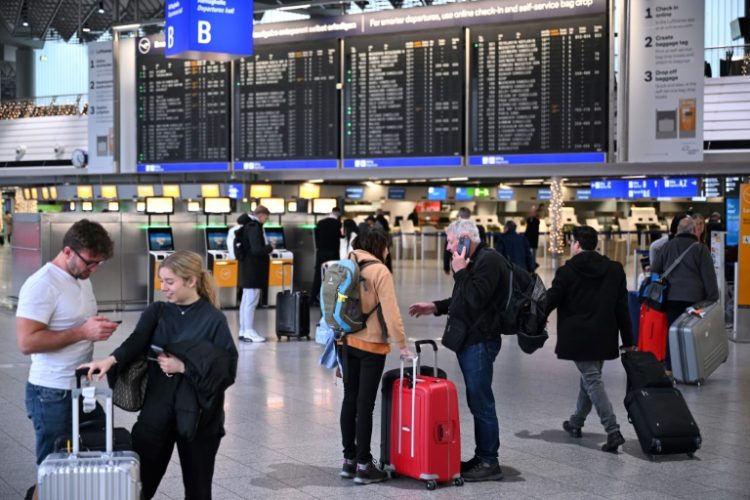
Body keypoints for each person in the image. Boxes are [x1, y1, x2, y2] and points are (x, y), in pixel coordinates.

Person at [80, 250, 237, 500]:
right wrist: (110, 360)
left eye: (169, 282)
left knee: (198, 490)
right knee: (139, 486)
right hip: (157, 412)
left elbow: (226, 369)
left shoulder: (213, 319)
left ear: (191, 281)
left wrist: (183, 367)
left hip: (199, 419)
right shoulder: (158, 311)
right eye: (161, 281)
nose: (163, 287)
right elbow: (137, 341)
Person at [16, 219, 118, 499]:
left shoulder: (80, 279)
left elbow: (72, 324)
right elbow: (27, 342)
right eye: (90, 262)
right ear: (68, 251)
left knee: (90, 455)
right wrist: (82, 331)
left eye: (99, 263)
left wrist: (93, 328)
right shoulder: (41, 284)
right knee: (52, 470)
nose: (93, 269)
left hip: (78, 389)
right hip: (51, 393)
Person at [410, 218, 506, 482]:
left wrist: (461, 271)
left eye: (451, 241)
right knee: (476, 400)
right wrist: (435, 307)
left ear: (465, 238)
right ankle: (482, 455)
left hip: (481, 341)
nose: (447, 248)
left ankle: (490, 461)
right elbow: (462, 298)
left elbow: (476, 299)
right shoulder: (474, 262)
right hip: (469, 340)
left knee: (481, 400)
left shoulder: (489, 262)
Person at [545, 226, 635, 453]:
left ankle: (613, 430)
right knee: (590, 377)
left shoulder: (567, 272)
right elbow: (622, 308)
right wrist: (629, 340)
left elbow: (550, 301)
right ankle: (576, 422)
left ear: (576, 244)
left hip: (578, 336)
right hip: (604, 335)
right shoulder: (615, 270)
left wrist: (532, 317)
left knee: (592, 380)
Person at [337, 228, 411, 485]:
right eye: (387, 246)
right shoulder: (380, 270)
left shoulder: (346, 263)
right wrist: (401, 344)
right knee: (365, 405)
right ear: (379, 245)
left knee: (349, 399)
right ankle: (364, 464)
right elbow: (391, 311)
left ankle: (348, 460)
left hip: (344, 341)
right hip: (371, 345)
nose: (388, 251)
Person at [651, 217, 719, 373]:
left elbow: (655, 269)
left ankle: (670, 368)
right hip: (695, 300)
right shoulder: (700, 249)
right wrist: (712, 298)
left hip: (671, 298)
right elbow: (708, 276)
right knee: (693, 333)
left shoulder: (667, 246)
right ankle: (691, 368)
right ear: (694, 231)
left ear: (678, 231)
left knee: (672, 331)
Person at [237, 205, 273, 342]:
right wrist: (270, 247)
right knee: (251, 302)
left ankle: (243, 330)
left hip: (247, 268)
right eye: (266, 218)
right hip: (254, 269)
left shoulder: (247, 225)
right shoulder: (254, 227)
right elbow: (257, 250)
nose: (266, 220)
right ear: (262, 215)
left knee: (246, 301)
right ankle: (249, 331)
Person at [443, 207, 486, 274]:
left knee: (461, 280)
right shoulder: (479, 228)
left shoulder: (454, 228)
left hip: (457, 262)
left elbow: (447, 250)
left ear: (459, 216)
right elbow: (483, 246)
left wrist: (446, 266)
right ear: (469, 215)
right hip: (476, 262)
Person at [313, 208, 342, 304]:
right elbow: (340, 237)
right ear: (338, 214)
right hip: (333, 252)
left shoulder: (321, 222)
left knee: (318, 274)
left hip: (321, 252)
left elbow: (316, 236)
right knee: (332, 275)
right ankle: (330, 298)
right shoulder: (338, 224)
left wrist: (318, 247)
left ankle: (313, 297)